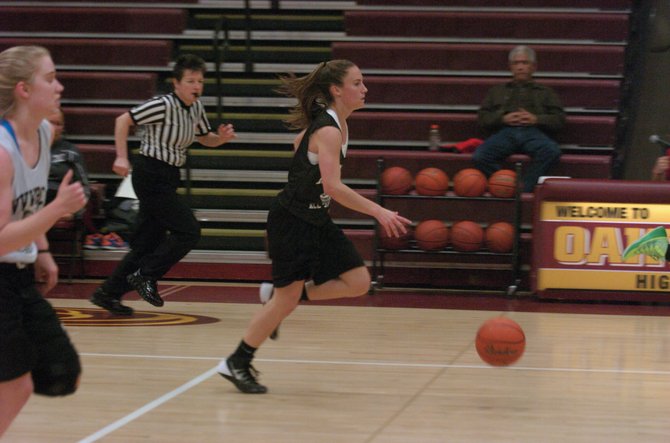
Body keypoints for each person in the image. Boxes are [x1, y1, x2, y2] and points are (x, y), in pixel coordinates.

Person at [217, 59, 411, 394]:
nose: (364, 89)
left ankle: (275, 296)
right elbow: (334, 187)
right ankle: (237, 361)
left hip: (315, 218)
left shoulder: (334, 125)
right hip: (292, 221)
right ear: (337, 90)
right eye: (357, 83)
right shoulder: (329, 130)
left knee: (359, 281)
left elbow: (298, 147)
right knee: (286, 301)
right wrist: (378, 211)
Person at [89, 54, 236, 316]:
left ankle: (108, 293)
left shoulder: (196, 109)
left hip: (168, 176)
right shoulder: (163, 104)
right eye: (190, 80)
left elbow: (205, 139)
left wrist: (221, 139)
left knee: (147, 242)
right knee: (189, 231)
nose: (196, 86)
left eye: (200, 81)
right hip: (150, 173)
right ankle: (146, 276)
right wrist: (121, 156)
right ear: (176, 83)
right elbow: (123, 120)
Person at [0, 45, 87, 438]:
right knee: (17, 383)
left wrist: (45, 251)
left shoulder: (45, 132)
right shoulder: (3, 153)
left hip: (18, 278)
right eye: (50, 79)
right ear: (22, 89)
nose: (60, 86)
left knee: (61, 372)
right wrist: (56, 210)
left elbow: (26, 210)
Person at [473, 45, 566, 193]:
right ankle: (505, 183)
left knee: (552, 152)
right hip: (506, 132)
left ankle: (524, 188)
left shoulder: (546, 92)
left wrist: (536, 119)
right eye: (516, 63)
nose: (520, 67)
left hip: (534, 133)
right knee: (480, 156)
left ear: (533, 67)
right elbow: (483, 118)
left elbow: (559, 120)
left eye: (525, 63)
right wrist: (503, 119)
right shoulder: (497, 91)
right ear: (510, 67)